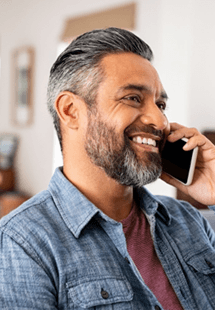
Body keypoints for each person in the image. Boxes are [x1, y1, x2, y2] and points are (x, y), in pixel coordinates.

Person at [0, 27, 215, 310]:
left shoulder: (188, 221)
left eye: (160, 104)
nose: (160, 120)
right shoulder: (22, 243)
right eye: (133, 98)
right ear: (70, 111)